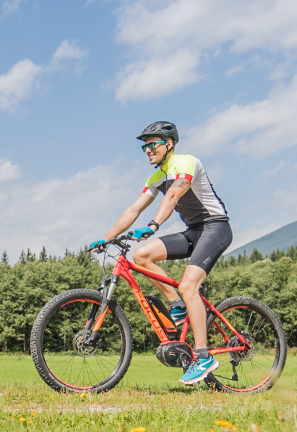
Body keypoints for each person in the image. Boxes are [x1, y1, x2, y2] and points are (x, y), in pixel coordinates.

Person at [90, 121, 235, 385]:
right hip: (193, 231)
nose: (147, 149)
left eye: (152, 144)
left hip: (215, 228)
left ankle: (202, 356)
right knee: (142, 255)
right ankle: (176, 304)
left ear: (169, 144)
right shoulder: (157, 177)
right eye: (144, 146)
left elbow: (174, 196)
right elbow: (134, 210)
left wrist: (154, 225)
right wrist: (106, 238)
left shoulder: (187, 162)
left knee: (189, 285)